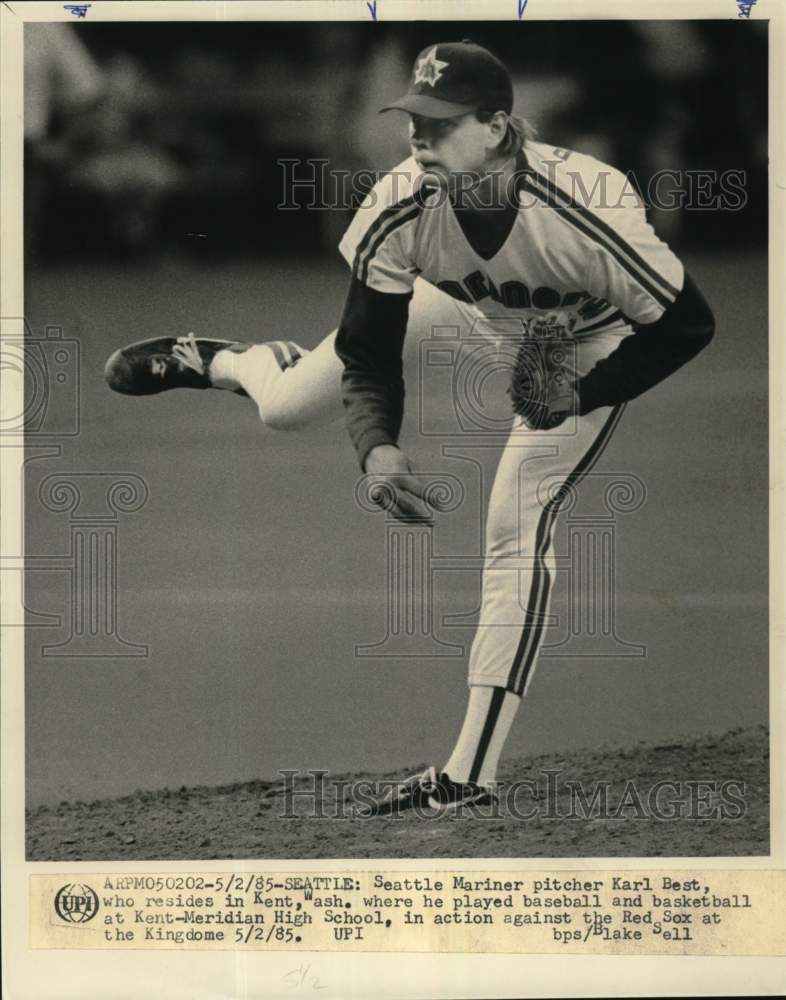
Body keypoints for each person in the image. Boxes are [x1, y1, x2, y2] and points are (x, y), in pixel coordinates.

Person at [105, 40, 715, 817]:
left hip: (575, 342)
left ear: (497, 126)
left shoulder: (588, 207)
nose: (418, 138)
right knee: (285, 406)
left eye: (441, 122)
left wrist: (585, 391)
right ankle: (228, 361)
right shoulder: (399, 201)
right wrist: (378, 447)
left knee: (516, 521)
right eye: (412, 121)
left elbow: (688, 324)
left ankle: (466, 774)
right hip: (463, 307)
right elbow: (368, 350)